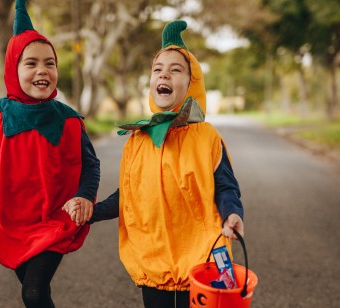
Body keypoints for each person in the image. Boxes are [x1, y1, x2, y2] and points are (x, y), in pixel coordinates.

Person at [64, 20, 244, 308]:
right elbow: (128, 197)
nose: (165, 75)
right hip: (154, 255)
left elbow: (226, 187)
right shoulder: (137, 140)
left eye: (176, 70)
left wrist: (233, 214)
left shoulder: (207, 137)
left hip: (201, 254)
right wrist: (92, 212)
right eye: (158, 69)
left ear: (191, 82)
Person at [0, 1, 99, 307]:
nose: (42, 70)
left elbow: (90, 165)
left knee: (34, 292)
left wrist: (85, 196)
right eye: (31, 63)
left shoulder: (68, 120)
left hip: (55, 218)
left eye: (50, 63)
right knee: (33, 289)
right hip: (13, 222)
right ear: (13, 67)